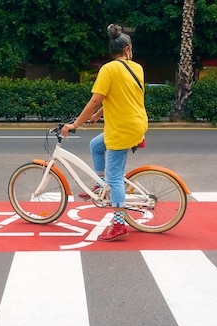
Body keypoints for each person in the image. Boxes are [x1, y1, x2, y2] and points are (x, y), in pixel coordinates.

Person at [61, 23, 148, 242]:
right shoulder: (137, 68)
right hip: (134, 123)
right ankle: (102, 186)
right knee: (96, 146)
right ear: (127, 49)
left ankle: (118, 224)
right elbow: (119, 96)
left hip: (122, 128)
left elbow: (96, 98)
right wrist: (99, 114)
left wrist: (76, 124)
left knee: (116, 177)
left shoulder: (108, 69)